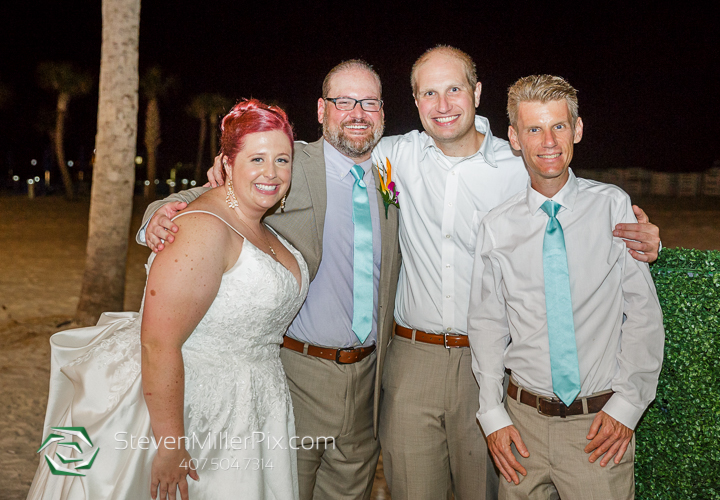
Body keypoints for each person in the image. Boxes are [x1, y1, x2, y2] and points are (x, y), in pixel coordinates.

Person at [370, 46, 663, 499]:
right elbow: (337, 154)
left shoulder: (532, 167)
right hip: (422, 359)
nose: (443, 104)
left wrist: (652, 242)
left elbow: (634, 302)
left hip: (508, 375)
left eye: (454, 89)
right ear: (414, 100)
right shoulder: (393, 156)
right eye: (429, 92)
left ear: (476, 92)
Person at [139, 60, 400, 500]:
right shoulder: (288, 162)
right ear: (322, 110)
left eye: (369, 102)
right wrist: (156, 218)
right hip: (298, 376)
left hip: (368, 384)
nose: (357, 113)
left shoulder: (397, 171)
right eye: (344, 101)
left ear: (382, 111)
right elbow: (208, 199)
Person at [27, 99, 308, 500]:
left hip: (255, 402)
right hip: (200, 411)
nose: (272, 172)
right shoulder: (201, 229)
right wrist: (171, 444)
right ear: (226, 163)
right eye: (257, 159)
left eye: (282, 160)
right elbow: (159, 343)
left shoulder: (260, 225)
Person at [467, 75, 665, 499]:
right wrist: (492, 414)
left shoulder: (612, 206)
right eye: (534, 129)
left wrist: (627, 408)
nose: (548, 141)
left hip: (597, 430)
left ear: (577, 129)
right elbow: (487, 326)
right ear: (514, 138)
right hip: (521, 426)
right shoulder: (496, 226)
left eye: (558, 126)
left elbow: (643, 315)